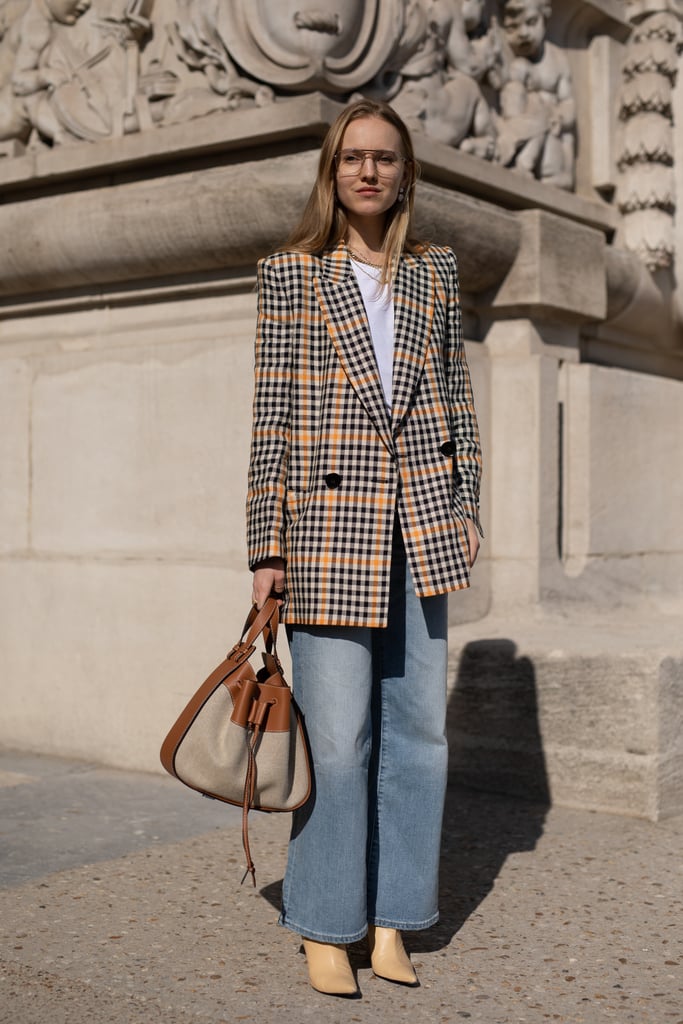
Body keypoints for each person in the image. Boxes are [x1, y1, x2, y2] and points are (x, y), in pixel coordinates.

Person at [246, 98, 482, 997]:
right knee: (338, 739)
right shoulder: (291, 275)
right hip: (327, 530)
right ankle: (324, 919)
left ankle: (391, 920)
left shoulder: (434, 273)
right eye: (353, 159)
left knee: (417, 734)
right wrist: (265, 545)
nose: (369, 172)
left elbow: (457, 401)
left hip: (420, 522)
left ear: (405, 172)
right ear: (331, 171)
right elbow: (273, 421)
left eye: (385, 158)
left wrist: (467, 504)